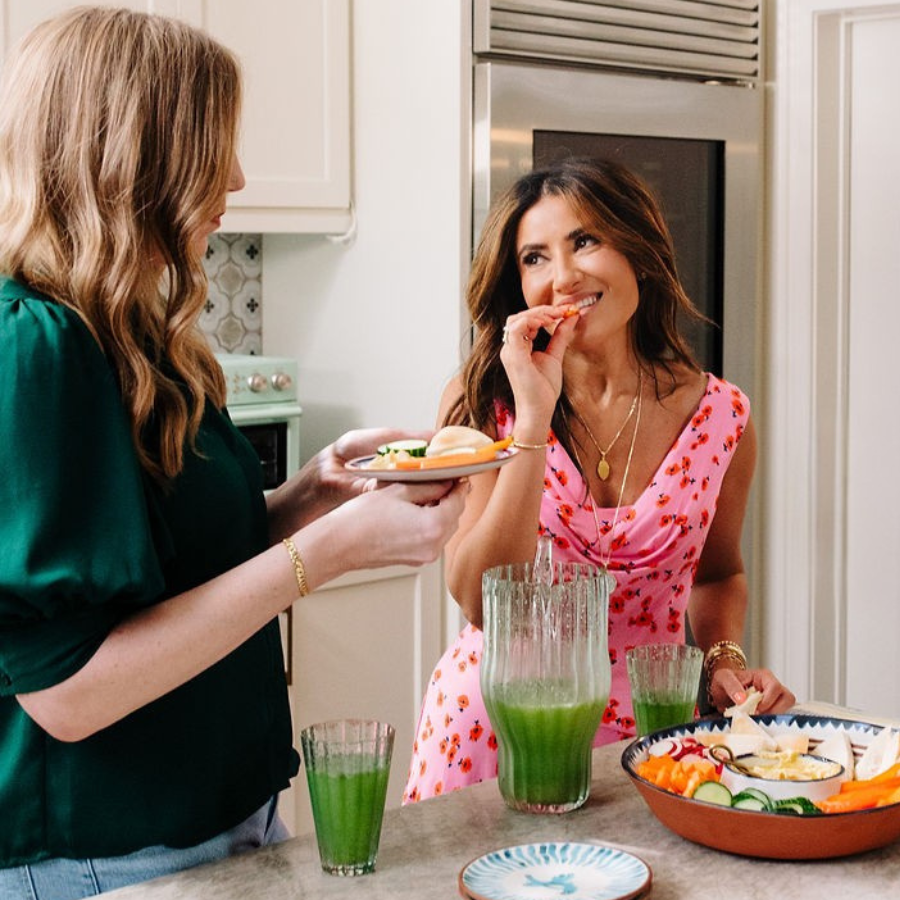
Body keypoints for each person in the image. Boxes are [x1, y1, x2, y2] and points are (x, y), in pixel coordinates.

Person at [0, 8, 467, 897]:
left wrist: (309, 497)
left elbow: (159, 571)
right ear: (132, 160)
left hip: (228, 816)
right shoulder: (35, 346)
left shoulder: (139, 333)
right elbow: (68, 694)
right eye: (212, 146)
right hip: (109, 853)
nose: (241, 175)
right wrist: (326, 553)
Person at [403, 157, 795, 804]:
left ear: (639, 250)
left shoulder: (722, 417)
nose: (562, 276)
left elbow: (719, 574)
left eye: (585, 241)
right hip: (493, 736)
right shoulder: (484, 403)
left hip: (655, 739)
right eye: (534, 257)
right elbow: (477, 599)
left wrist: (725, 660)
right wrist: (533, 415)